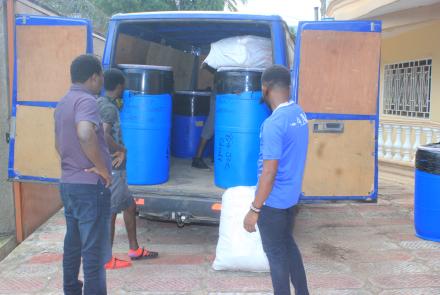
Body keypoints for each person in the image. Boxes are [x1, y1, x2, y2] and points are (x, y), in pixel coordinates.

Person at [243, 65, 310, 295]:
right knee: (289, 247)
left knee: (277, 256)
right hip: (291, 200)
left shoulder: (273, 124)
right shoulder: (299, 114)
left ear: (265, 88)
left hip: (273, 204)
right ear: (288, 86)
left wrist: (254, 209)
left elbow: (269, 173)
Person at [54, 54, 112, 295]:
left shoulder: (63, 102)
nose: (101, 83)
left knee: (73, 245)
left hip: (68, 184)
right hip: (89, 187)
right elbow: (86, 133)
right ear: (93, 77)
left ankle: (71, 290)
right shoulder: (87, 101)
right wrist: (101, 167)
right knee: (93, 252)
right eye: (100, 77)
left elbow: (59, 145)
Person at [98, 68, 159, 270]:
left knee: (130, 206)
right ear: (119, 86)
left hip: (116, 170)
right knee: (111, 213)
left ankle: (134, 249)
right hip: (114, 168)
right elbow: (104, 135)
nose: (124, 89)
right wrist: (121, 149)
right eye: (123, 86)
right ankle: (106, 259)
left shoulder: (99, 103)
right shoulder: (108, 108)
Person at [192, 66, 216, 169]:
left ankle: (215, 155)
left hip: (227, 96)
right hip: (220, 96)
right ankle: (197, 158)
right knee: (210, 127)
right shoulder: (227, 59)